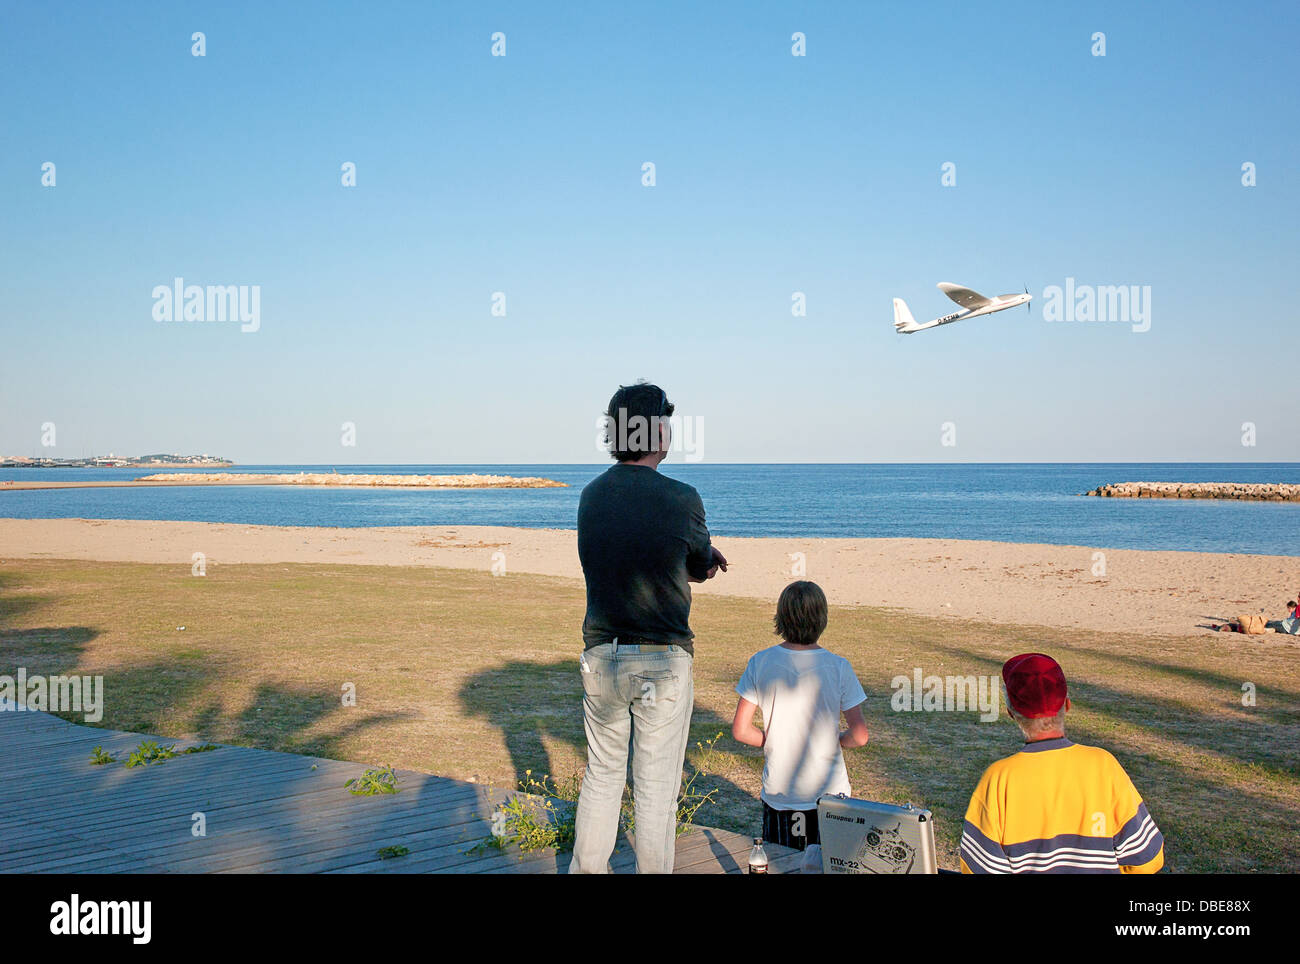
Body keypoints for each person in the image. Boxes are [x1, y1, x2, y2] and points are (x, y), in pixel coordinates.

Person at [568, 382, 727, 874]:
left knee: (602, 777)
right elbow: (697, 566)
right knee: (656, 789)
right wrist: (703, 561)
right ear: (656, 431)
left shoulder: (591, 496)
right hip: (662, 657)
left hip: (602, 655)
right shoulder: (682, 498)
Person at [960, 653, 1164, 874]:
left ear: (1011, 713)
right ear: (1067, 705)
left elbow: (979, 868)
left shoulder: (998, 779)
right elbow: (1147, 859)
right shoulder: (1104, 766)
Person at [732, 581, 869, 851]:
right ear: (822, 619)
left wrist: (776, 740)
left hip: (781, 794)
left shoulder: (760, 662)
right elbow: (860, 736)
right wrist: (837, 739)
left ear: (781, 617)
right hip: (830, 794)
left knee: (782, 861)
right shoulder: (839, 667)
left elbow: (741, 730)